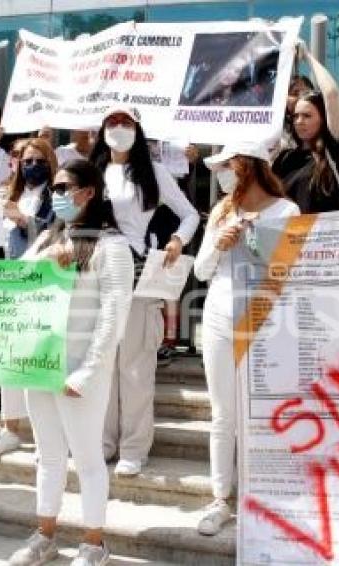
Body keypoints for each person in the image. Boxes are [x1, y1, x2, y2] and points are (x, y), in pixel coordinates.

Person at [7, 159, 133, 566]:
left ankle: (94, 543)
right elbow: (17, 277)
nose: (57, 196)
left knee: (87, 458)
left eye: (64, 189)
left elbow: (113, 316)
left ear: (88, 193)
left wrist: (88, 370)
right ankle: (45, 534)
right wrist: (49, 260)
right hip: (40, 365)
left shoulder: (112, 247)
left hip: (81, 372)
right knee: (48, 455)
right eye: (56, 189)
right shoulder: (48, 237)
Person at [192, 141, 299, 536]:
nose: (219, 172)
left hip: (266, 319)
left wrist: (256, 243)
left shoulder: (287, 211)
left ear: (246, 166)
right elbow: (201, 271)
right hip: (219, 316)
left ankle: (262, 497)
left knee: (261, 413)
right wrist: (220, 243)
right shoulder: (222, 209)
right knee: (223, 414)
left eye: (225, 164)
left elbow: (289, 270)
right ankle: (220, 498)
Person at [91, 106, 199, 476]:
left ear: (138, 128)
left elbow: (190, 214)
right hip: (94, 274)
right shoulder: (91, 172)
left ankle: (134, 448)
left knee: (135, 367)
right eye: (112, 121)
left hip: (136, 274)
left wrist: (176, 241)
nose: (118, 128)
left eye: (126, 122)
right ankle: (102, 442)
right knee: (101, 363)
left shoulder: (154, 172)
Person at [0, 138, 56, 454]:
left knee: (38, 358)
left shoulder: (56, 194)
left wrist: (24, 221)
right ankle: (10, 428)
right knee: (7, 358)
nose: (32, 166)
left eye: (39, 160)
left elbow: (57, 234)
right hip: (10, 281)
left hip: (42, 283)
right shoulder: (12, 193)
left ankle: (45, 436)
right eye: (27, 161)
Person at [272, 46, 339, 213]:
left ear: (323, 119)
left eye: (307, 116)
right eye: (296, 116)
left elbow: (331, 94)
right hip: (288, 237)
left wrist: (307, 55)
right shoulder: (284, 159)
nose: (299, 121)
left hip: (325, 237)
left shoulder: (332, 150)